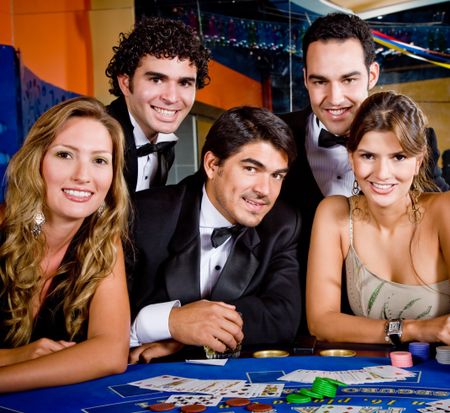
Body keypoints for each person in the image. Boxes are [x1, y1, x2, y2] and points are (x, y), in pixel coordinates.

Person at [279, 12, 448, 333]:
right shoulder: (275, 139)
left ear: (372, 74)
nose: (335, 98)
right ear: (304, 79)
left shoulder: (419, 143)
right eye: (320, 81)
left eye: (348, 79)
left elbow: (428, 209)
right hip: (304, 332)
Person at [128, 106, 301, 363]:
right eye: (251, 169)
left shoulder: (283, 223)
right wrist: (168, 320)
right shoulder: (144, 216)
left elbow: (282, 318)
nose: (265, 190)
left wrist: (189, 336)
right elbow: (89, 317)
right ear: (212, 165)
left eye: (277, 176)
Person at [0, 97, 130, 392]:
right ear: (38, 161)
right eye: (65, 155)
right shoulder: (3, 229)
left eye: (99, 160)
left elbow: (110, 353)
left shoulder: (103, 241)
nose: (83, 176)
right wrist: (14, 356)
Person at [307, 91, 450, 345]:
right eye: (368, 156)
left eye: (399, 157)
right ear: (351, 158)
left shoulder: (445, 210)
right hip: (373, 372)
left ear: (418, 162)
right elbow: (321, 322)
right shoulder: (334, 214)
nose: (382, 174)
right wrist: (414, 330)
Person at [105, 16, 211, 195]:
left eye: (184, 83)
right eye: (156, 80)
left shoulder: (164, 147)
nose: (171, 97)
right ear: (125, 83)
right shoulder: (96, 137)